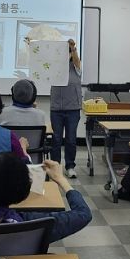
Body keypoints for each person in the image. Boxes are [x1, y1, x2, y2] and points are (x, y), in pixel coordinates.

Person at [49, 38, 82, 178]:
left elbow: (76, 61)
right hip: (56, 109)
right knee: (56, 139)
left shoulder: (76, 67)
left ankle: (70, 166)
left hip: (73, 109)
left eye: (67, 53)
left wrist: (73, 48)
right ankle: (55, 167)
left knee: (71, 139)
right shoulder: (54, 67)